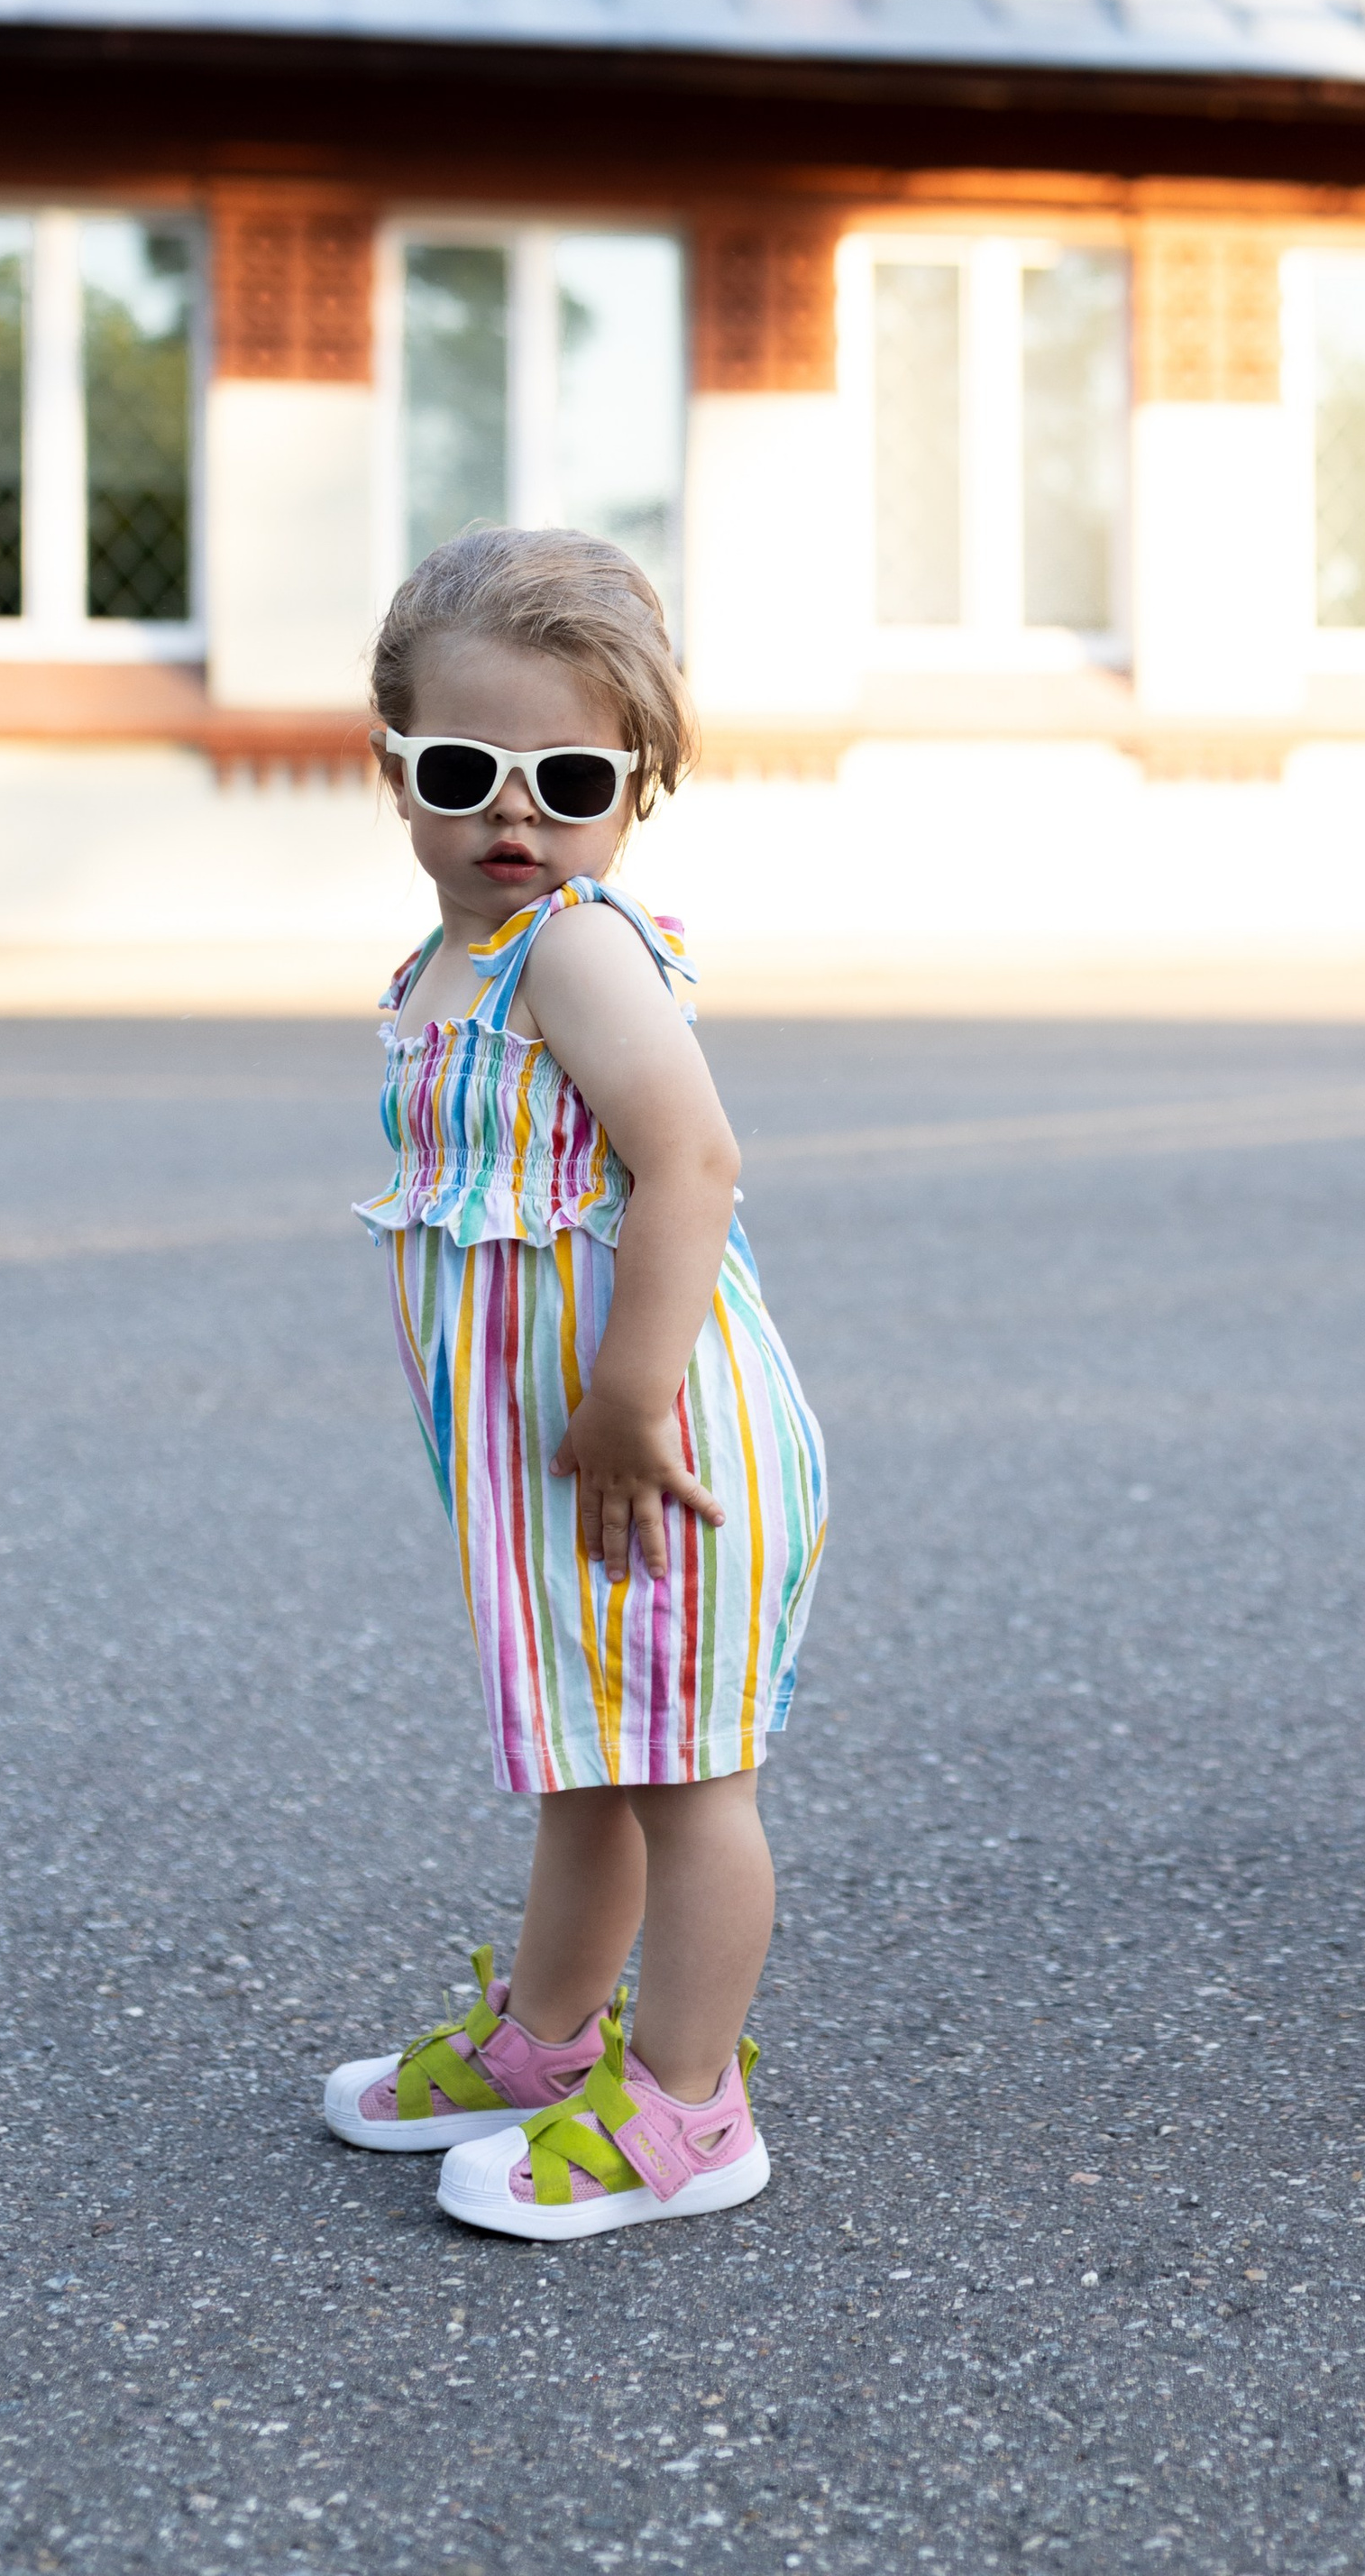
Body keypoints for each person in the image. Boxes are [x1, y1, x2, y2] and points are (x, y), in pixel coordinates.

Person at [321, 528, 827, 2225]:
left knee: (685, 1775)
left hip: (658, 1436)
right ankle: (547, 2043)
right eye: (465, 772)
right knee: (592, 1759)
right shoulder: (443, 968)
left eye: (572, 780)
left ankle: (691, 2112)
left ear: (640, 789)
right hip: (561, 1452)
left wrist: (623, 1401)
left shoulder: (574, 950)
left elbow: (693, 1166)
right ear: (395, 771)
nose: (513, 818)